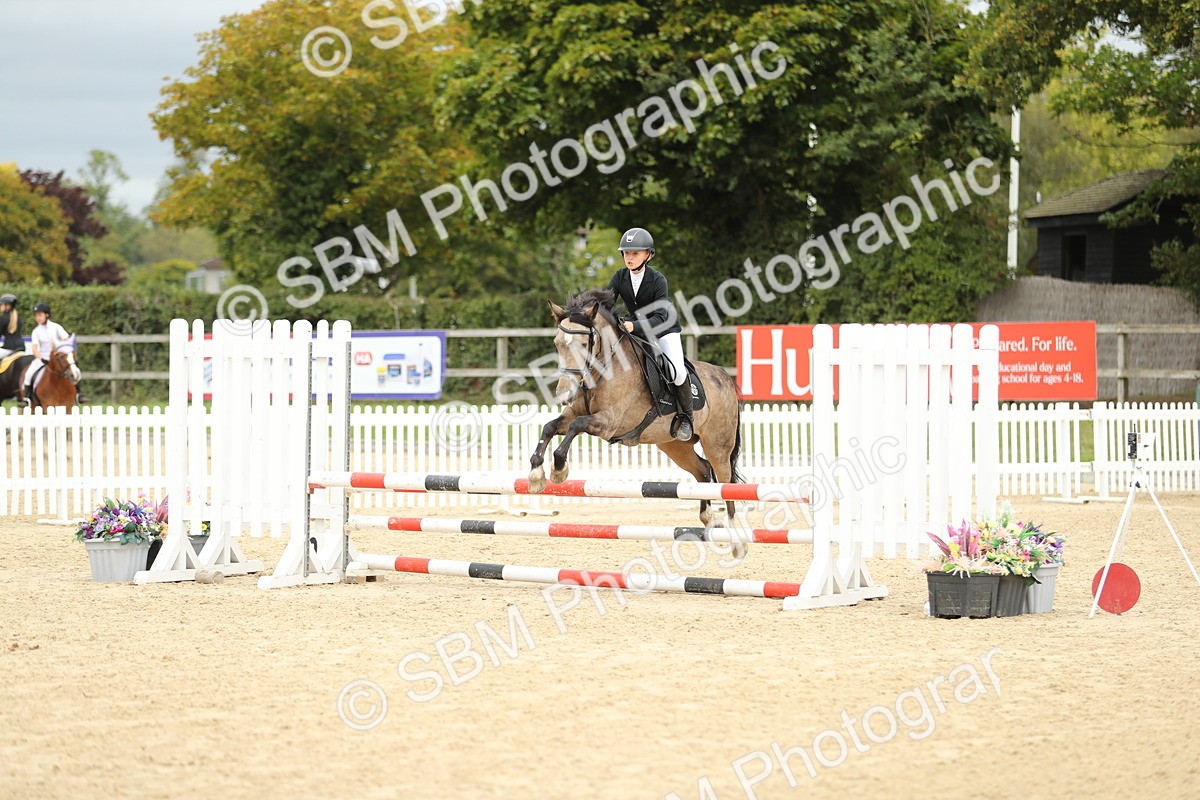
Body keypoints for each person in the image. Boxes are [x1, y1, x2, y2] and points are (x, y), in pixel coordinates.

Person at [605, 227, 693, 440]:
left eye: (635, 253)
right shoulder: (619, 277)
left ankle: (686, 418)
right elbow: (605, 303)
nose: (630, 257)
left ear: (648, 255)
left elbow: (661, 317)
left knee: (677, 372)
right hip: (637, 329)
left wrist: (634, 326)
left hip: (664, 329)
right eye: (626, 253)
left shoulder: (657, 280)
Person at [20, 301, 82, 405]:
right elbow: (35, 348)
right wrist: (40, 358)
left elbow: (67, 340)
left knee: (77, 371)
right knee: (29, 373)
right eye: (36, 316)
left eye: (40, 315)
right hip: (43, 358)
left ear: (47, 315)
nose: (38, 318)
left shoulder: (56, 327)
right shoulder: (36, 331)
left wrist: (60, 348)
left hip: (59, 358)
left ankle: (78, 395)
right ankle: (27, 398)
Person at [0, 293, 24, 359]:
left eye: (1, 304)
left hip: (9, 348)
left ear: (7, 306)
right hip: (21, 347)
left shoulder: (3, 318)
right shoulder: (18, 317)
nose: (0, 306)